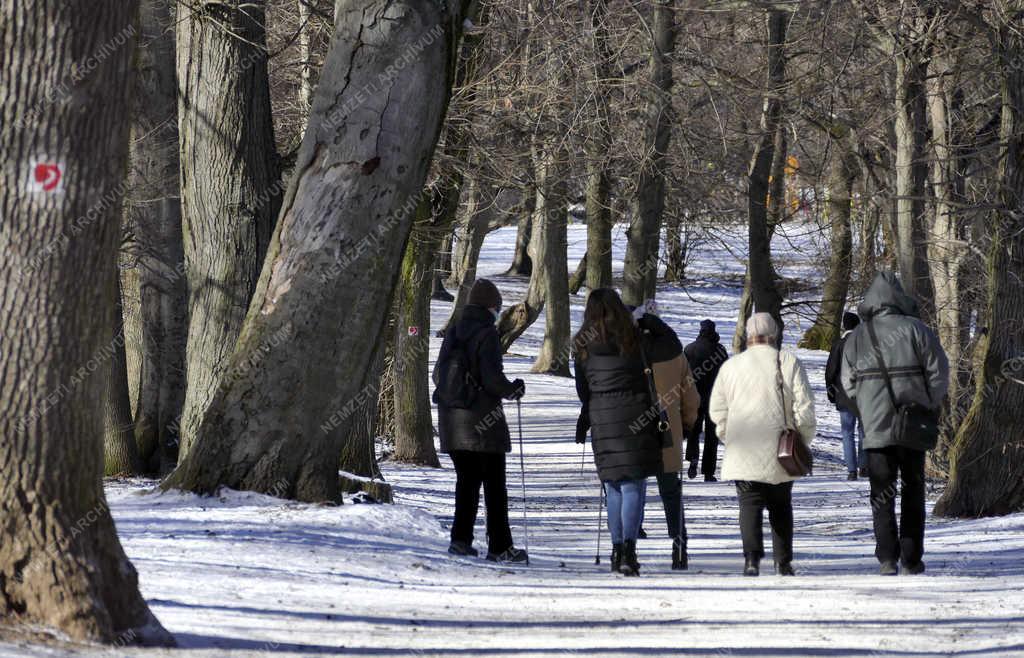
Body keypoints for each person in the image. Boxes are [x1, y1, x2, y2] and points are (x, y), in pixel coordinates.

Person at [841, 272, 949, 576]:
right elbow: (939, 372)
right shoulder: (918, 330)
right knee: (913, 489)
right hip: (913, 426)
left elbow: (847, 382)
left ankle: (887, 557)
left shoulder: (859, 337)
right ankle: (912, 557)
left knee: (881, 493)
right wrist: (928, 402)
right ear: (899, 298)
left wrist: (865, 405)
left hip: (876, 430)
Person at [709, 312, 816, 576]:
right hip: (781, 446)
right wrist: (801, 438)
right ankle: (783, 561)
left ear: (748, 336)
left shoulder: (731, 366)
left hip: (743, 445)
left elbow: (717, 409)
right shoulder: (788, 361)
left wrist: (728, 434)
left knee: (749, 503)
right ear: (774, 334)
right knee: (781, 504)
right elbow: (805, 406)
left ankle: (751, 560)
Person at [435, 279, 527, 564]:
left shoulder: (454, 331)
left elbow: (438, 374)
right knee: (495, 486)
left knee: (467, 481)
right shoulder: (487, 333)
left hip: (451, 420)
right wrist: (513, 389)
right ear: (492, 307)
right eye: (497, 308)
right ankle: (500, 546)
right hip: (482, 423)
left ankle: (460, 539)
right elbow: (491, 378)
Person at [574, 289, 665, 576]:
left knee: (612, 485)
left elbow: (582, 389)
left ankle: (616, 551)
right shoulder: (634, 338)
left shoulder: (582, 345)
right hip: (636, 413)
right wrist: (651, 322)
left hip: (602, 417)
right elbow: (667, 350)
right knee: (633, 485)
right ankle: (628, 550)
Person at [637, 307, 701, 570]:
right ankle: (679, 546)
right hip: (667, 432)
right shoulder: (676, 354)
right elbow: (691, 399)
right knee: (671, 492)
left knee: (630, 488)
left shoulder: (624, 352)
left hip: (633, 433)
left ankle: (625, 549)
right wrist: (685, 425)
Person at [684, 319, 729, 482]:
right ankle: (708, 472)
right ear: (714, 331)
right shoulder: (720, 351)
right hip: (715, 399)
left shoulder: (689, 349)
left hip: (694, 397)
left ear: (701, 330)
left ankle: (693, 459)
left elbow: (683, 374)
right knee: (711, 435)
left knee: (694, 431)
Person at [825, 311, 867, 480]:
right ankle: (864, 466)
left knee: (847, 432)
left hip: (843, 394)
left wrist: (831, 391)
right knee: (864, 431)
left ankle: (851, 470)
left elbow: (831, 370)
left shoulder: (839, 345)